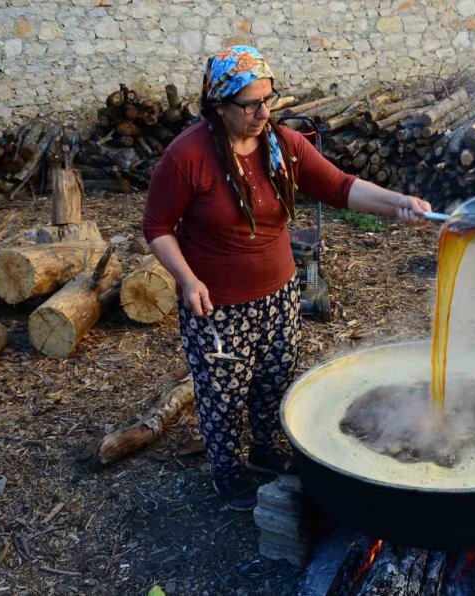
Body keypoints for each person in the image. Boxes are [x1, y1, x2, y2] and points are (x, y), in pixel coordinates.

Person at [142, 45, 432, 510]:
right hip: (217, 305)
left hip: (279, 294)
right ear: (219, 104)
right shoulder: (188, 156)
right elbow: (156, 227)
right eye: (250, 104)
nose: (263, 113)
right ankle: (228, 473)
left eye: (269, 99)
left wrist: (397, 202)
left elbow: (340, 186)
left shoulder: (283, 145)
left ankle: (264, 451)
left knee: (274, 381)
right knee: (223, 396)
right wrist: (186, 278)